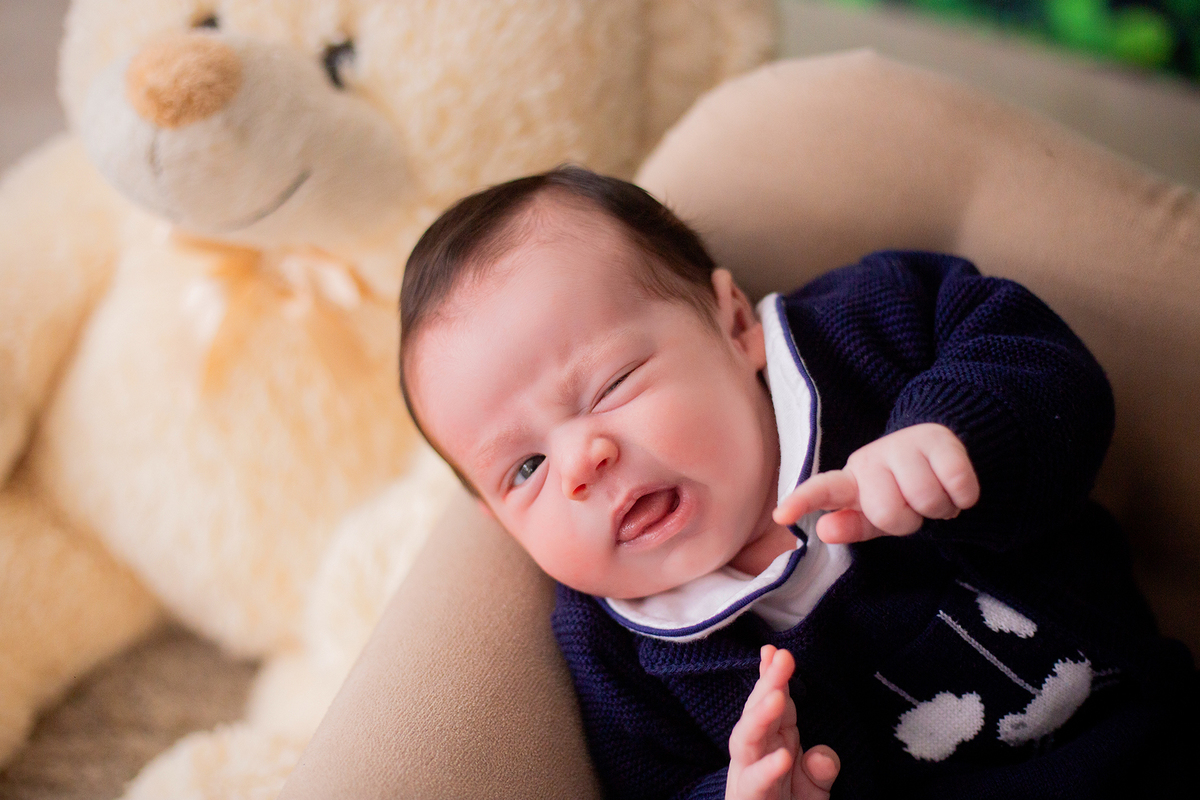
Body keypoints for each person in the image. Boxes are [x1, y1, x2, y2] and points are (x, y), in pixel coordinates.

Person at [397, 166, 1195, 799]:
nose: (580, 463)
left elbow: (1041, 365)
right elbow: (660, 786)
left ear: (735, 322)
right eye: (525, 469)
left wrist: (952, 432)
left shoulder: (862, 334)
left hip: (1140, 724)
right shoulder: (620, 652)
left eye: (612, 384)